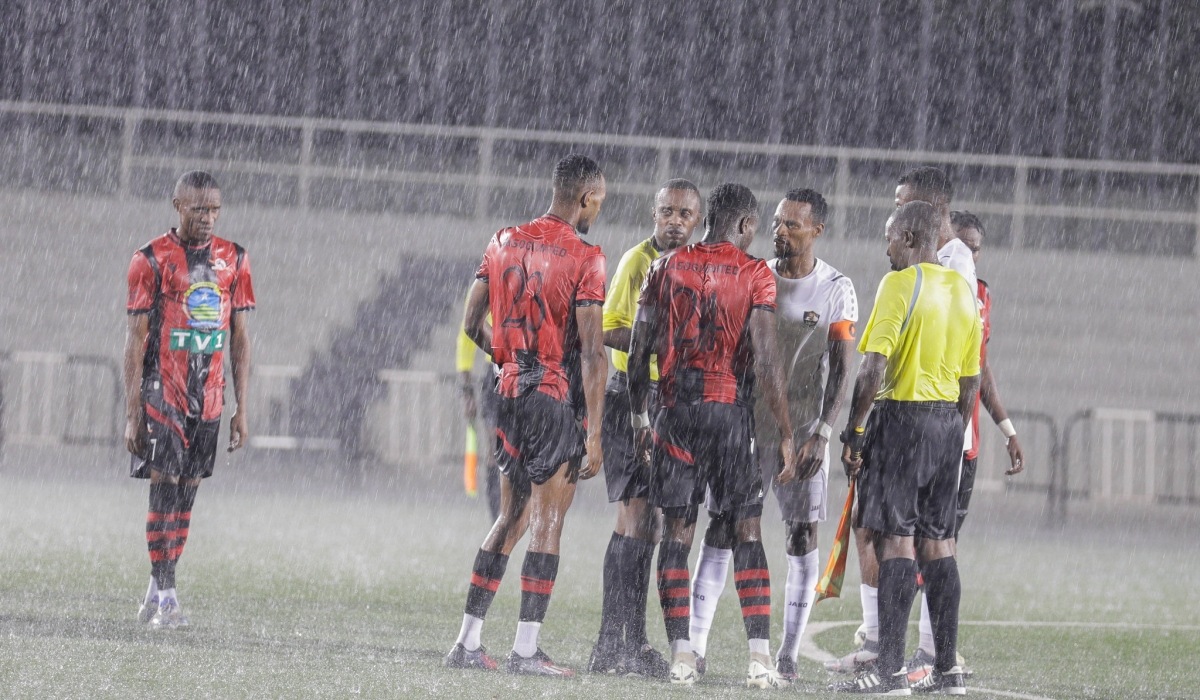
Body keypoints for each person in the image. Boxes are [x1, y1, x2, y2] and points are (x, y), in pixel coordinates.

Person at [444, 154, 608, 677]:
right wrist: (597, 431)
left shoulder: (503, 239)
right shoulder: (586, 255)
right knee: (548, 522)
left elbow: (472, 323)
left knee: (509, 517)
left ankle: (467, 642)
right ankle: (526, 651)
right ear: (585, 198)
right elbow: (591, 353)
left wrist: (511, 360)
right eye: (599, 201)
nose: (598, 210)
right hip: (551, 398)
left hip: (507, 395)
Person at [628, 183, 796, 689]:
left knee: (676, 534)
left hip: (675, 413)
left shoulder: (666, 266)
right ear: (745, 225)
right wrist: (785, 431)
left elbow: (638, 351)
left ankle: (682, 656)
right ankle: (759, 659)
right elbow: (766, 360)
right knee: (747, 532)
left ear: (706, 219)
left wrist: (640, 419)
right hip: (728, 416)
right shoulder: (754, 272)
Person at [687, 189, 858, 682]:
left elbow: (845, 366)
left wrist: (824, 433)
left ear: (817, 230)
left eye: (793, 225)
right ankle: (696, 648)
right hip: (746, 423)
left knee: (801, 534)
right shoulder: (753, 274)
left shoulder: (836, 288)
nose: (781, 232)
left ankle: (786, 655)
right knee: (723, 525)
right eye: (778, 223)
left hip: (804, 429)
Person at [829, 165, 976, 675]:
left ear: (910, 237)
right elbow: (970, 381)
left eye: (890, 238)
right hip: (947, 426)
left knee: (896, 540)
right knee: (940, 542)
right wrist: (953, 433)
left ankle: (888, 669)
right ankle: (947, 670)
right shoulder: (963, 291)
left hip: (904, 420)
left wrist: (856, 431)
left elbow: (873, 367)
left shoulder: (900, 284)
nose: (886, 248)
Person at [124, 170, 255, 630]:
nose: (207, 217)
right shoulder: (151, 259)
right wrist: (133, 413)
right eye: (198, 209)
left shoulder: (234, 259)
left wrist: (242, 407)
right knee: (163, 491)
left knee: (185, 498)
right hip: (165, 393)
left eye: (214, 209)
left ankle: (157, 590)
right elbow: (135, 340)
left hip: (211, 399)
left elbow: (239, 338)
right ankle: (168, 598)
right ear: (177, 205)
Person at [588, 179, 702, 679]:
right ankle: (615, 644)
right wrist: (655, 342)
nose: (675, 221)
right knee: (635, 518)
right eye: (667, 212)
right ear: (654, 214)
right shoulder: (639, 262)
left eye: (684, 214)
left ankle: (626, 643)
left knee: (651, 523)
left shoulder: (694, 267)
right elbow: (604, 328)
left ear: (697, 221)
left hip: (672, 402)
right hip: (632, 396)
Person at [456, 297, 501, 521]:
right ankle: (497, 520)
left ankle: (516, 517)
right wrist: (466, 390)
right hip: (495, 372)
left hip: (527, 369)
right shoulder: (487, 281)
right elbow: (466, 338)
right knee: (495, 449)